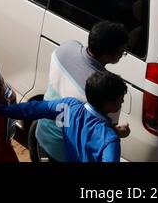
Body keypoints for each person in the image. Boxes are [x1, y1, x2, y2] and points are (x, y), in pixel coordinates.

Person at [34, 21, 129, 161]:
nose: (122, 54)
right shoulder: (105, 92)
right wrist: (120, 133)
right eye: (122, 51)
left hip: (41, 136)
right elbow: (101, 133)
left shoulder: (65, 48)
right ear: (109, 54)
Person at [0, 71, 128, 162]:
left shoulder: (69, 106)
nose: (122, 102)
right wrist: (115, 134)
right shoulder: (110, 140)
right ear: (110, 103)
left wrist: (1, 109)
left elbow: (32, 109)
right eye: (121, 99)